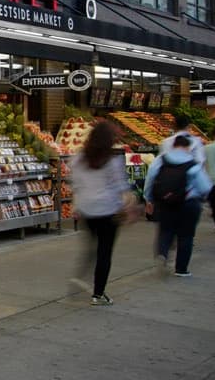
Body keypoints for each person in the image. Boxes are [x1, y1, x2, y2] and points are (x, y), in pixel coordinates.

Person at [68, 121, 135, 305]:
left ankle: (82, 274)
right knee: (104, 251)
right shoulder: (113, 161)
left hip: (86, 209)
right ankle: (98, 293)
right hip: (108, 210)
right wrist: (129, 206)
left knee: (91, 244)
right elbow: (122, 188)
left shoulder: (78, 159)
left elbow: (76, 185)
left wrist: (76, 205)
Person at [144, 135, 213, 277]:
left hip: (164, 202)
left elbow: (150, 180)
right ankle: (181, 269)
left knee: (165, 231)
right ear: (188, 147)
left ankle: (162, 255)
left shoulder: (160, 160)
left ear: (173, 145)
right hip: (188, 204)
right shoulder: (192, 163)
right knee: (186, 236)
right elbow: (205, 187)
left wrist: (149, 199)